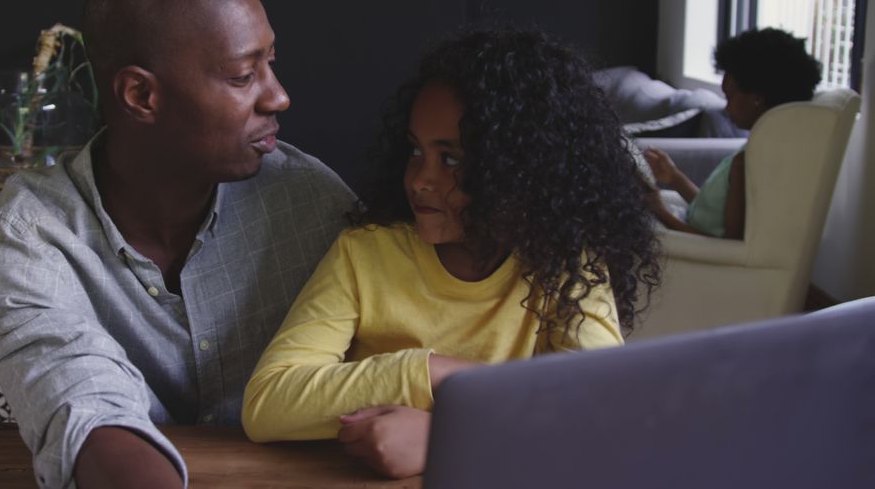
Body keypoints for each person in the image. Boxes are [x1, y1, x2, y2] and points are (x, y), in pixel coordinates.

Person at [0, 0, 356, 489]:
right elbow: (80, 401)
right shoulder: (31, 238)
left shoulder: (314, 205)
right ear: (140, 95)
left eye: (271, 62)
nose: (279, 95)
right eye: (244, 75)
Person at [241, 28, 661, 478]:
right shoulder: (365, 254)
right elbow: (269, 401)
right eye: (416, 150)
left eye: (453, 159)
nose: (420, 178)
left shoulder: (567, 263)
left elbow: (603, 415)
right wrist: (435, 373)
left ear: (524, 172)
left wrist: (447, 436)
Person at [644, 27, 823, 238]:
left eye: (729, 97)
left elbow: (726, 245)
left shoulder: (748, 162)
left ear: (756, 97)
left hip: (691, 252)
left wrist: (660, 212)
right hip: (687, 229)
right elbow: (711, 213)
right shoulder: (764, 149)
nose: (726, 108)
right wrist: (674, 178)